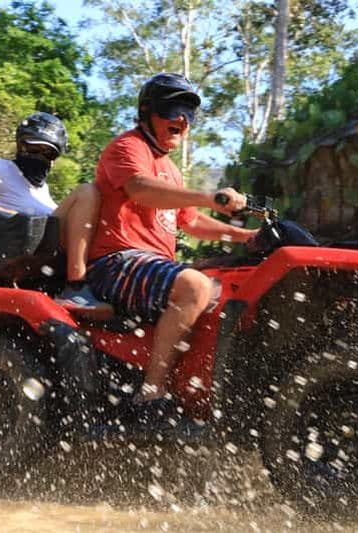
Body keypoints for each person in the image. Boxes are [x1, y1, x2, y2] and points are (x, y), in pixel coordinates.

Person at [87, 72, 257, 432]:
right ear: (147, 111)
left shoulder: (171, 170)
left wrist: (247, 237)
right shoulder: (128, 147)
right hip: (116, 262)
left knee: (224, 289)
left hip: (151, 266)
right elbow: (141, 190)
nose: (182, 120)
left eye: (189, 114)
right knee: (194, 286)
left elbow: (192, 223)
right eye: (174, 109)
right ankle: (150, 394)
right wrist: (208, 195)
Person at [0, 112, 105, 309]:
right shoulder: (0, 169)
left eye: (47, 152)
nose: (39, 156)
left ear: (54, 158)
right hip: (14, 250)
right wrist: (5, 215)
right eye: (33, 148)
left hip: (45, 252)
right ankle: (76, 286)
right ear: (20, 146)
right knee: (86, 192)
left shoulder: (43, 192)